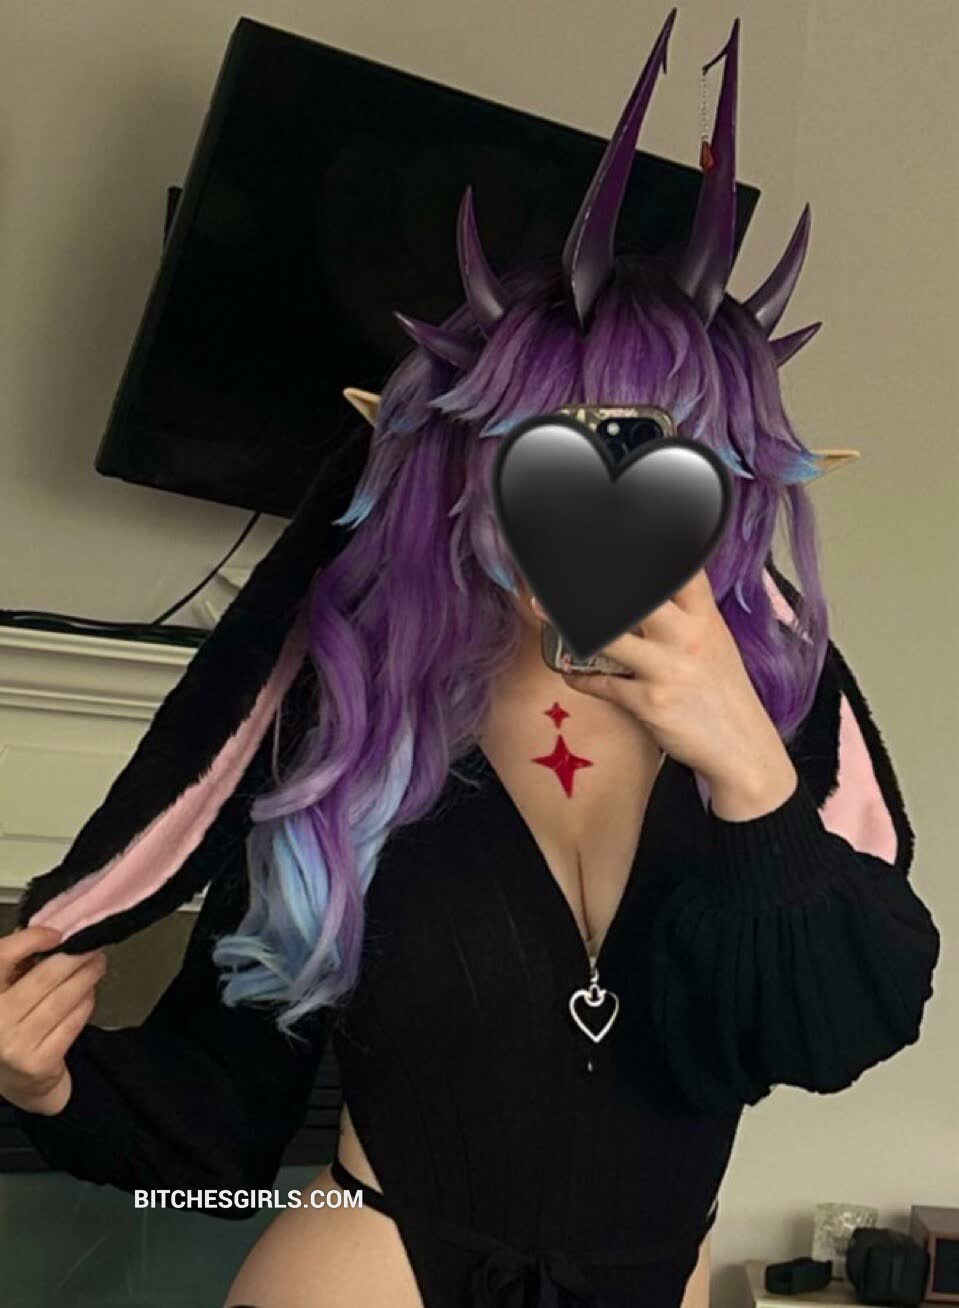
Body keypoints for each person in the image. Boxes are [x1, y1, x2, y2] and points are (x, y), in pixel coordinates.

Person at [0, 12, 940, 1308]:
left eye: (652, 458)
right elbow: (220, 1127)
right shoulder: (355, 717)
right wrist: (50, 1081)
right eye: (546, 455)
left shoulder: (783, 708)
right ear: (465, 463)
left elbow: (834, 1032)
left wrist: (748, 774)